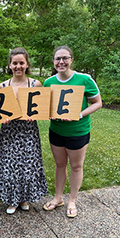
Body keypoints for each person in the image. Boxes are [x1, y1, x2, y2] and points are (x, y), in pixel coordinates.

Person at [43, 46, 102, 218]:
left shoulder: (84, 79)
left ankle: (72, 200)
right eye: (57, 59)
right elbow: (46, 106)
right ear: (53, 62)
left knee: (76, 166)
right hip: (56, 131)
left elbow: (98, 103)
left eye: (65, 58)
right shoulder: (48, 82)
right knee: (60, 165)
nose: (61, 62)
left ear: (71, 59)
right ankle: (58, 198)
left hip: (78, 131)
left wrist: (79, 114)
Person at [0, 47, 48, 215]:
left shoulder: (35, 84)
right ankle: (12, 200)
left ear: (27, 64)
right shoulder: (2, 86)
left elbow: (41, 108)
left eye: (21, 63)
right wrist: (2, 118)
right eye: (15, 63)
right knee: (9, 166)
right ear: (10, 65)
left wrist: (34, 115)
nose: (18, 66)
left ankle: (24, 198)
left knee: (27, 166)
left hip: (28, 132)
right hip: (9, 132)